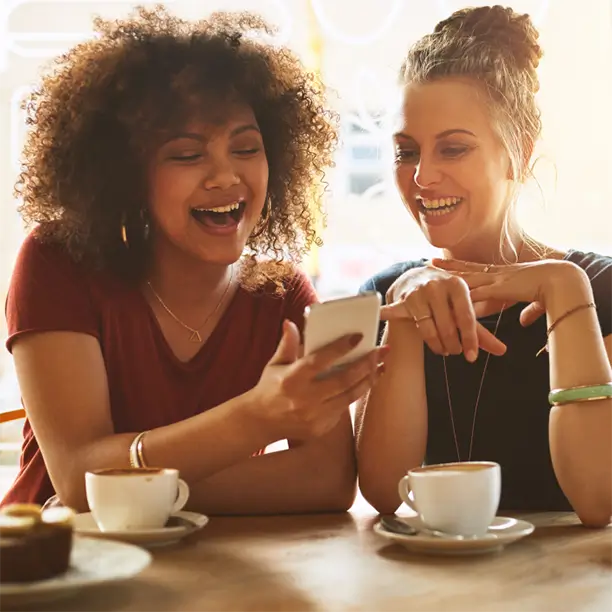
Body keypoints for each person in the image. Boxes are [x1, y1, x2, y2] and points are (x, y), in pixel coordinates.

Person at [2, 6, 387, 514]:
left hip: (217, 573)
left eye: (247, 148)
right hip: (59, 571)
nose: (225, 176)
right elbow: (76, 479)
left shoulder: (280, 297)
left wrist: (135, 491)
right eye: (187, 155)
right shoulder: (57, 263)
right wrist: (254, 420)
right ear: (128, 173)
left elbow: (328, 481)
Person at [356, 6, 612, 527]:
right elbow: (385, 492)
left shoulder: (599, 289)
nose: (423, 177)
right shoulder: (385, 295)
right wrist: (406, 313)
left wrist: (565, 292)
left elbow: (599, 498)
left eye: (453, 149)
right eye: (407, 152)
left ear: (517, 153)